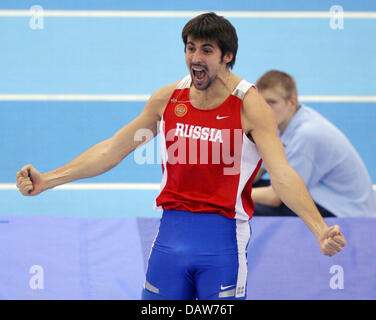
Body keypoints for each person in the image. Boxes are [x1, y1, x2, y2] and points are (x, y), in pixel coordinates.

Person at [16, 12, 346, 300]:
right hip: (169, 241)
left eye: (206, 50)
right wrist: (49, 180)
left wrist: (318, 229)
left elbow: (282, 174)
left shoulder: (250, 107)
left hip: (225, 242)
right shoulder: (168, 99)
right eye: (190, 48)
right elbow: (111, 150)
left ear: (227, 56)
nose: (195, 58)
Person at [252, 70, 376, 218]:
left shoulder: (306, 135)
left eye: (272, 102)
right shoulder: (282, 122)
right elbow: (258, 170)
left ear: (291, 102)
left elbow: (276, 197)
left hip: (345, 211)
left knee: (241, 208)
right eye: (261, 102)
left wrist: (229, 195)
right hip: (317, 190)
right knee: (246, 191)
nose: (265, 109)